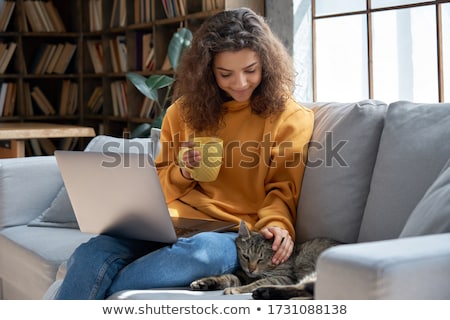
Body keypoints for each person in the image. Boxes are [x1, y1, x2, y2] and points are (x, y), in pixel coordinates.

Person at [55, 7, 314, 299]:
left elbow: (282, 189)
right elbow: (157, 185)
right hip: (169, 222)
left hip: (230, 233)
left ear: (267, 64)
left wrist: (277, 226)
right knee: (91, 253)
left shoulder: (290, 117)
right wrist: (183, 171)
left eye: (250, 70)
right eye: (225, 74)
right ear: (207, 71)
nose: (240, 83)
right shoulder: (182, 112)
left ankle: (92, 289)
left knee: (201, 255)